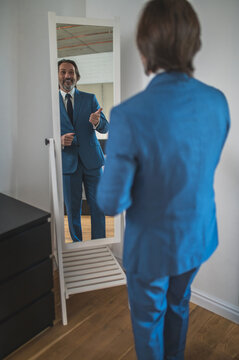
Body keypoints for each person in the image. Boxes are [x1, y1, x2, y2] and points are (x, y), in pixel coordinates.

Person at [96, 0, 230, 359]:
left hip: (152, 248)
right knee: (179, 305)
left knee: (148, 320)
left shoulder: (127, 116)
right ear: (192, 42)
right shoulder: (218, 102)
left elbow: (111, 202)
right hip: (197, 237)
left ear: (145, 49)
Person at [58, 59, 109, 242]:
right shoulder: (50, 103)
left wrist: (97, 121)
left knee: (98, 206)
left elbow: (105, 127)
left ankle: (99, 244)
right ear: (58, 76)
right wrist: (60, 141)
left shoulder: (90, 98)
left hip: (92, 161)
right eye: (63, 72)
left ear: (76, 76)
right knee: (72, 209)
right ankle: (77, 245)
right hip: (67, 162)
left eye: (71, 72)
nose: (67, 76)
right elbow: (46, 134)